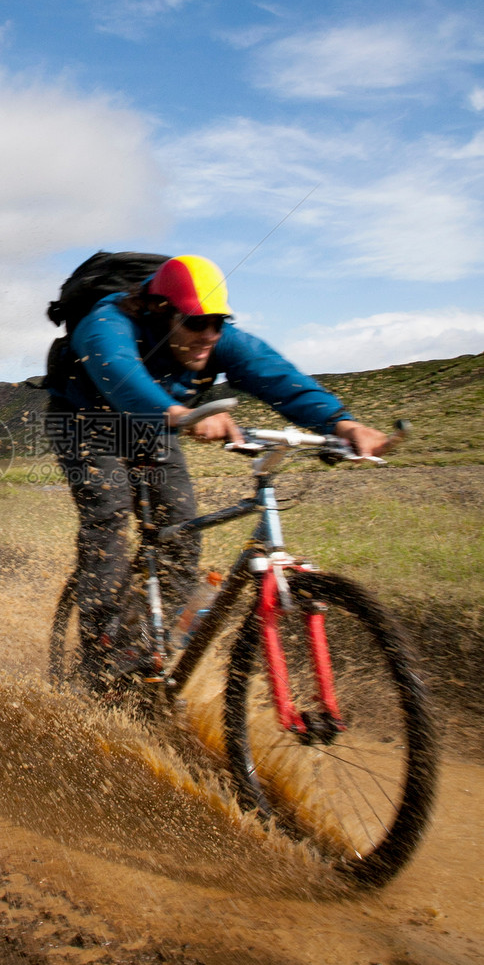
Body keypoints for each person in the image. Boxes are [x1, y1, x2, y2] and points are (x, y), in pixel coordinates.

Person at [45, 254, 389, 691]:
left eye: (217, 323)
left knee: (182, 529)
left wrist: (341, 423)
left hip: (159, 421)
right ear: (161, 310)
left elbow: (276, 375)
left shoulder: (215, 340)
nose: (208, 334)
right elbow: (120, 374)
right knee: (108, 516)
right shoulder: (109, 321)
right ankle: (99, 654)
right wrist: (178, 414)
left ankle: (149, 645)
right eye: (196, 322)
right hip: (86, 419)